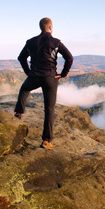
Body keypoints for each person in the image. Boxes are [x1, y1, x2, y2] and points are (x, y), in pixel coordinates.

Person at [14, 17, 73, 150]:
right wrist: (63, 74)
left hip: (34, 76)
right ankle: (46, 141)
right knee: (49, 108)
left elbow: (21, 57)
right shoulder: (56, 42)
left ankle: (18, 113)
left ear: (41, 27)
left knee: (24, 89)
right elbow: (69, 57)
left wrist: (28, 72)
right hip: (50, 78)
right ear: (50, 27)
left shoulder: (31, 42)